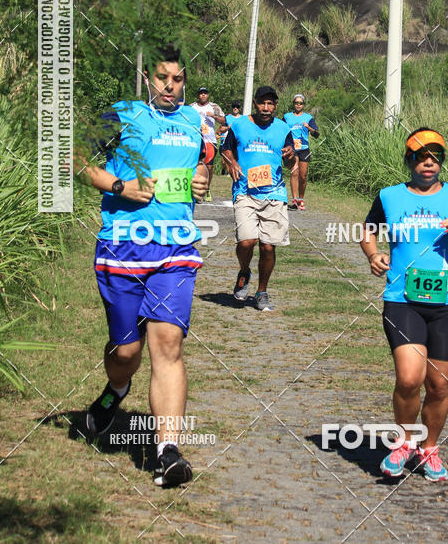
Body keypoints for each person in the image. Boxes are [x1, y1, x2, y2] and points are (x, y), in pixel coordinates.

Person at [82, 45, 209, 488]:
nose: (169, 87)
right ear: (147, 77)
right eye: (161, 78)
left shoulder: (195, 121)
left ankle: (167, 452)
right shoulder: (122, 113)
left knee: (168, 345)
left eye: (177, 80)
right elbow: (74, 158)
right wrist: (121, 185)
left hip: (175, 249)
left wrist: (201, 182)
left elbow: (197, 177)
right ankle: (116, 390)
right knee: (127, 354)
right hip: (122, 247)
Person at [362, 128, 448, 482]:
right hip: (402, 299)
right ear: (410, 160)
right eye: (420, 156)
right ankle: (403, 442)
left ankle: (429, 448)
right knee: (408, 378)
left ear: (441, 162)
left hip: (447, 302)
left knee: (438, 385)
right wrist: (373, 255)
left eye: (434, 157)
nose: (428, 163)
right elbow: (368, 231)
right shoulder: (389, 196)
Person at [221, 85, 296, 311]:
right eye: (262, 103)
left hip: (274, 193)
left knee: (268, 247)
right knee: (246, 241)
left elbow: (291, 162)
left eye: (270, 104)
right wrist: (232, 162)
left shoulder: (284, 129)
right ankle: (244, 271)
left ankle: (262, 291)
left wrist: (291, 156)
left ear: (275, 106)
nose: (266, 108)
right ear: (255, 103)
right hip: (245, 191)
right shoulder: (239, 125)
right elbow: (226, 149)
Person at [283, 94, 319, 211]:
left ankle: (301, 199)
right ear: (293, 104)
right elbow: (280, 130)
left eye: (301, 103)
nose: (298, 105)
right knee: (294, 172)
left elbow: (316, 134)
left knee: (303, 176)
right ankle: (294, 200)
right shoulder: (287, 117)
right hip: (292, 149)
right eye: (296, 103)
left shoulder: (308, 118)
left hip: (304, 148)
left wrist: (308, 127)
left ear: (303, 105)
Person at [190, 86, 226, 202]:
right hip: (195, 140)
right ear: (198, 95)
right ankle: (196, 190)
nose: (203, 95)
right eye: (201, 93)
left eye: (205, 93)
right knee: (196, 165)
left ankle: (207, 188)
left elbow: (224, 120)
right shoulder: (192, 107)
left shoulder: (214, 107)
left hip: (210, 141)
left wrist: (214, 116)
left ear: (208, 95)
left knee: (209, 166)